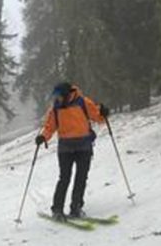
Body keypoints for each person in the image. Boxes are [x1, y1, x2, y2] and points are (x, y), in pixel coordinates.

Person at [35, 82, 110, 221]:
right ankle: (57, 209)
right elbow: (49, 127)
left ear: (66, 94)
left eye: (58, 96)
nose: (56, 99)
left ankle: (76, 207)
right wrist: (42, 137)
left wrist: (104, 113)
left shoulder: (83, 102)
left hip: (84, 146)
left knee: (81, 178)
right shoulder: (55, 108)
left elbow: (97, 116)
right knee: (64, 178)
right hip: (65, 148)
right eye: (55, 96)